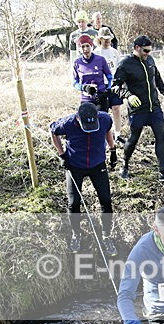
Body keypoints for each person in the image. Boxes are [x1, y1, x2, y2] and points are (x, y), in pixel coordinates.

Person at [50, 102, 118, 256]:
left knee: (106, 201)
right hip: (75, 165)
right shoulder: (67, 123)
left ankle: (106, 236)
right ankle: (76, 234)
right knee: (73, 203)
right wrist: (62, 155)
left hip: (97, 164)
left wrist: (113, 150)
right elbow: (53, 131)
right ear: (78, 119)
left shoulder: (104, 118)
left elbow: (108, 131)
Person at [111, 35, 164, 183]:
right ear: (136, 48)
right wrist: (128, 95)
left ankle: (163, 172)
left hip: (154, 107)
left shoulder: (150, 60)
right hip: (138, 110)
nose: (148, 53)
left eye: (149, 50)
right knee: (134, 138)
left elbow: (158, 79)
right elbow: (115, 86)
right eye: (145, 50)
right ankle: (125, 166)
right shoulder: (125, 64)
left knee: (161, 136)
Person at [93, 28, 124, 142]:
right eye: (105, 39)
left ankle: (118, 134)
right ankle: (105, 136)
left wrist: (119, 82)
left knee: (116, 108)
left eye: (109, 39)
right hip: (102, 85)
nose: (107, 41)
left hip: (114, 84)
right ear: (100, 39)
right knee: (103, 112)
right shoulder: (96, 53)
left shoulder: (114, 52)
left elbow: (119, 68)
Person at [72, 35, 112, 110]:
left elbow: (110, 77)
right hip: (86, 99)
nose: (85, 49)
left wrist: (108, 89)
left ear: (92, 46)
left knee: (103, 120)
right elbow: (74, 83)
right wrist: (84, 87)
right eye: (82, 47)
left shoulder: (101, 60)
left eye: (87, 46)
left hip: (101, 97)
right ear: (79, 49)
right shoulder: (77, 63)